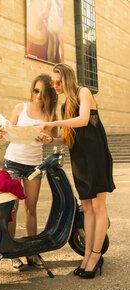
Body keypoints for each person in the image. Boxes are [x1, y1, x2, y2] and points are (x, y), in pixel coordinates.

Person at [36, 63, 115, 278]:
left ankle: (96, 256)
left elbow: (82, 120)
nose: (55, 86)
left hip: (96, 158)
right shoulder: (65, 107)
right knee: (87, 208)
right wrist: (50, 139)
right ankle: (87, 255)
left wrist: (54, 122)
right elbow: (70, 139)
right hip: (80, 159)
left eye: (58, 82)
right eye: (52, 83)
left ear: (67, 79)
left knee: (98, 207)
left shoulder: (84, 93)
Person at [0, 74, 58, 271]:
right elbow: (5, 132)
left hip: (34, 165)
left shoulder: (49, 114)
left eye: (42, 92)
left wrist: (48, 140)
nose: (38, 95)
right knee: (11, 209)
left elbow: (52, 137)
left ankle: (32, 251)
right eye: (35, 90)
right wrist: (0, 133)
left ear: (49, 94)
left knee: (31, 209)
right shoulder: (19, 108)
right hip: (13, 161)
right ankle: (11, 252)